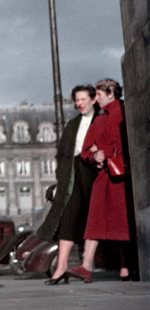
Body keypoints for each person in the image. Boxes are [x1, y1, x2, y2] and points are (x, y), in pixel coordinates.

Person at [68, 79, 134, 283]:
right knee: (95, 222)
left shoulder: (125, 112)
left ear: (111, 93)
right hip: (104, 178)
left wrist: (103, 151)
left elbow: (126, 143)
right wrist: (93, 155)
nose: (95, 99)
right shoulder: (100, 119)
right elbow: (86, 149)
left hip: (122, 177)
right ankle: (86, 267)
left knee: (123, 224)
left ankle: (126, 267)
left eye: (99, 94)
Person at [35, 85, 99, 284]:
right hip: (72, 173)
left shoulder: (100, 120)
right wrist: (60, 178)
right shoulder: (72, 124)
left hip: (93, 174)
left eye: (83, 99)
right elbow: (61, 153)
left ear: (93, 99)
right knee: (67, 219)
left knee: (95, 220)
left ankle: (92, 266)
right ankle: (61, 267)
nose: (80, 103)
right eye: (77, 100)